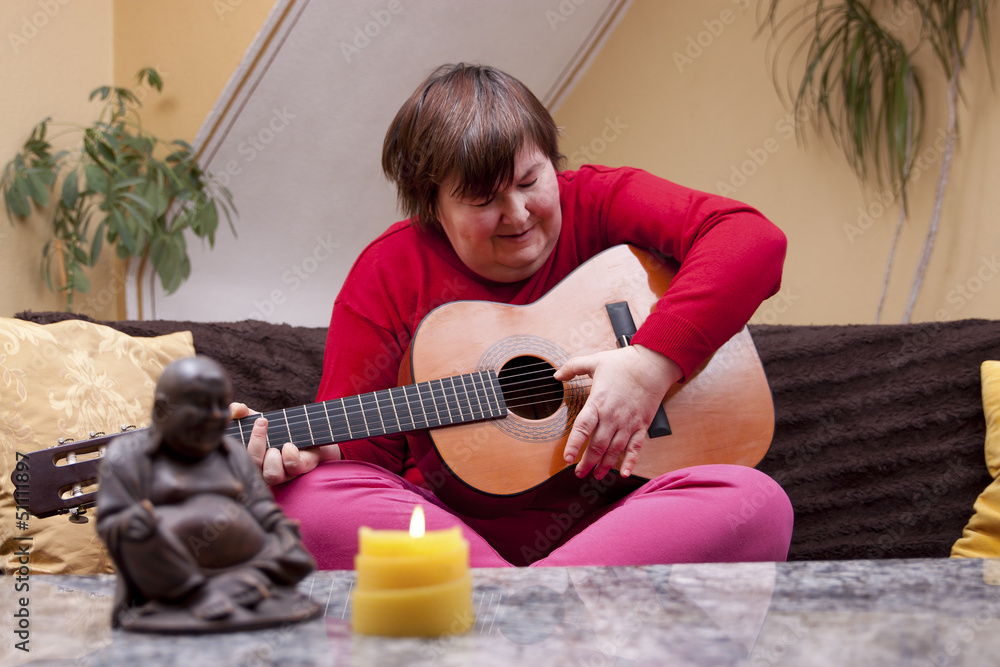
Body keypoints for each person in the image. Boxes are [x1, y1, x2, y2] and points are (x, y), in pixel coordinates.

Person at [233, 63, 794, 569]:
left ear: (553, 162)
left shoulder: (599, 201)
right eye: (482, 200)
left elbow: (752, 241)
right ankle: (547, 621)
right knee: (303, 501)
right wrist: (313, 453)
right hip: (453, 540)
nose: (518, 213)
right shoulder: (389, 271)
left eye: (530, 181)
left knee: (756, 501)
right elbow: (366, 459)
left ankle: (499, 624)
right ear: (432, 206)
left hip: (626, 525)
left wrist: (649, 367)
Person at [97, 356, 316, 630]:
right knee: (136, 537)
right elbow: (109, 522)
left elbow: (259, 505)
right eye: (200, 405)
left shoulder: (233, 452)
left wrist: (279, 527)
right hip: (170, 568)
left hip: (252, 558)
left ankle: (237, 584)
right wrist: (129, 522)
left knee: (296, 555)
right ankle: (197, 594)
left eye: (220, 405)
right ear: (163, 408)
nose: (214, 416)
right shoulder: (128, 455)